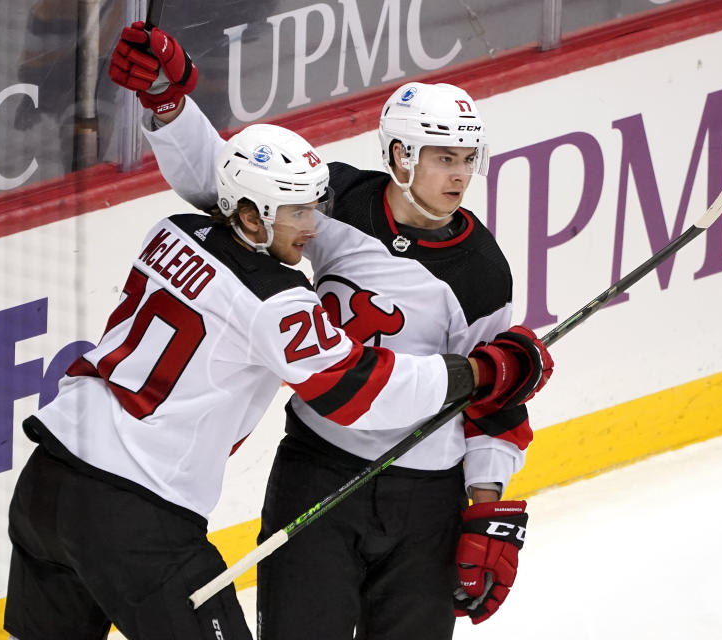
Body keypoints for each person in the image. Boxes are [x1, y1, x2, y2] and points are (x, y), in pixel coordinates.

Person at [2, 112, 544, 638]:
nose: (314, 227)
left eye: (313, 208)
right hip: (137, 512)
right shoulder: (276, 302)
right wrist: (478, 371)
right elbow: (358, 389)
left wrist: (170, 108)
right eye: (297, 213)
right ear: (253, 216)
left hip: (46, 481)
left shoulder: (170, 232)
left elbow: (221, 174)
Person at [108, 22, 555, 639]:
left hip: (426, 502)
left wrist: (485, 509)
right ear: (400, 156)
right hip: (317, 472)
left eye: (466, 160)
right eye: (442, 158)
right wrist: (168, 104)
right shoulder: (339, 199)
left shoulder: (481, 272)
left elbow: (493, 400)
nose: (459, 176)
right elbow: (226, 184)